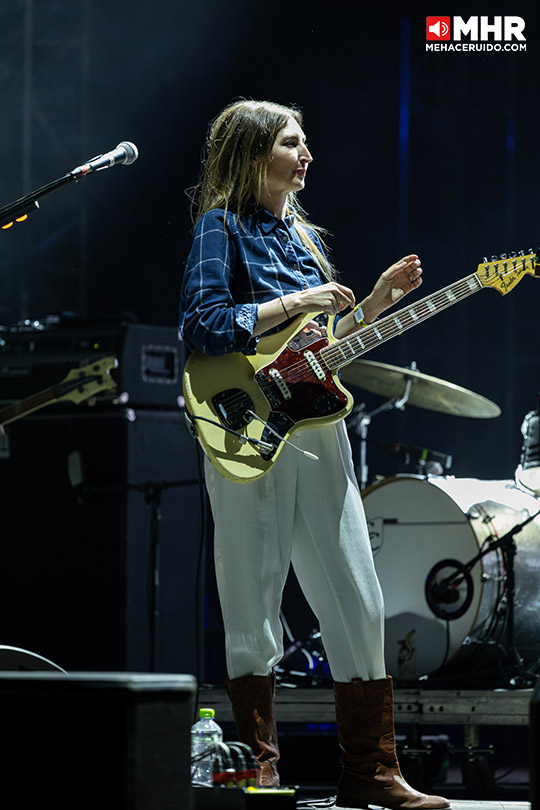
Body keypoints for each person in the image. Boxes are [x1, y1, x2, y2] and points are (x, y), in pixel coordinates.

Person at [179, 99, 449, 810]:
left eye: (305, 142)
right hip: (246, 432)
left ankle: (372, 771)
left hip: (317, 432)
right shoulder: (221, 227)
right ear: (253, 152)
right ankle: (260, 772)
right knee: (253, 599)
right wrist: (299, 299)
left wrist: (378, 304)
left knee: (359, 598)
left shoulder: (302, 235)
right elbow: (205, 324)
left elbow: (318, 353)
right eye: (291, 142)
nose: (306, 154)